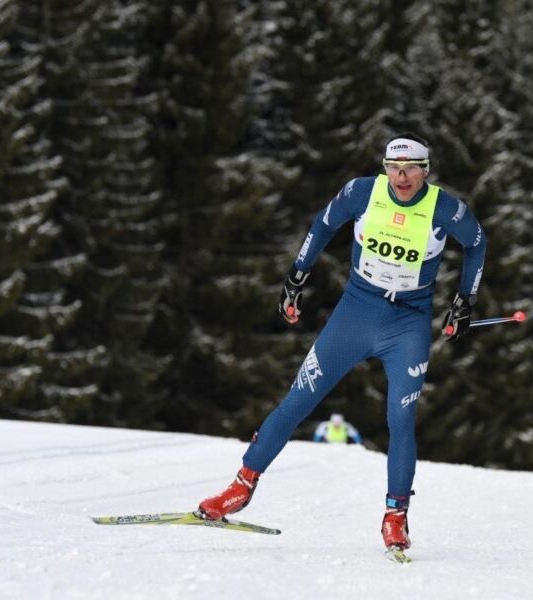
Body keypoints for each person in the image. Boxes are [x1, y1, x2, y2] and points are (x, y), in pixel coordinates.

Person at [197, 132, 487, 552]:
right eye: (394, 167)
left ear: (426, 171)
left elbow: (477, 245)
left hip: (408, 323)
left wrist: (464, 302)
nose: (402, 177)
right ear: (385, 167)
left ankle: (395, 516)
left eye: (411, 169)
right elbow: (323, 225)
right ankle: (241, 487)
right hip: (356, 313)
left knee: (400, 420)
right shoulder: (362, 193)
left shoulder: (445, 208)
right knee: (297, 401)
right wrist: (297, 277)